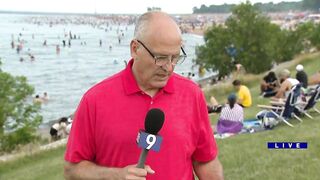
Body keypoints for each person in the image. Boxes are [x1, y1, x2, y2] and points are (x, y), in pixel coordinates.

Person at [64, 11, 223, 180]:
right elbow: (72, 170)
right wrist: (115, 175)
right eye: (160, 58)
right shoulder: (94, 100)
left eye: (175, 57)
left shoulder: (192, 94)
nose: (169, 67)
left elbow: (205, 161)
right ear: (135, 49)